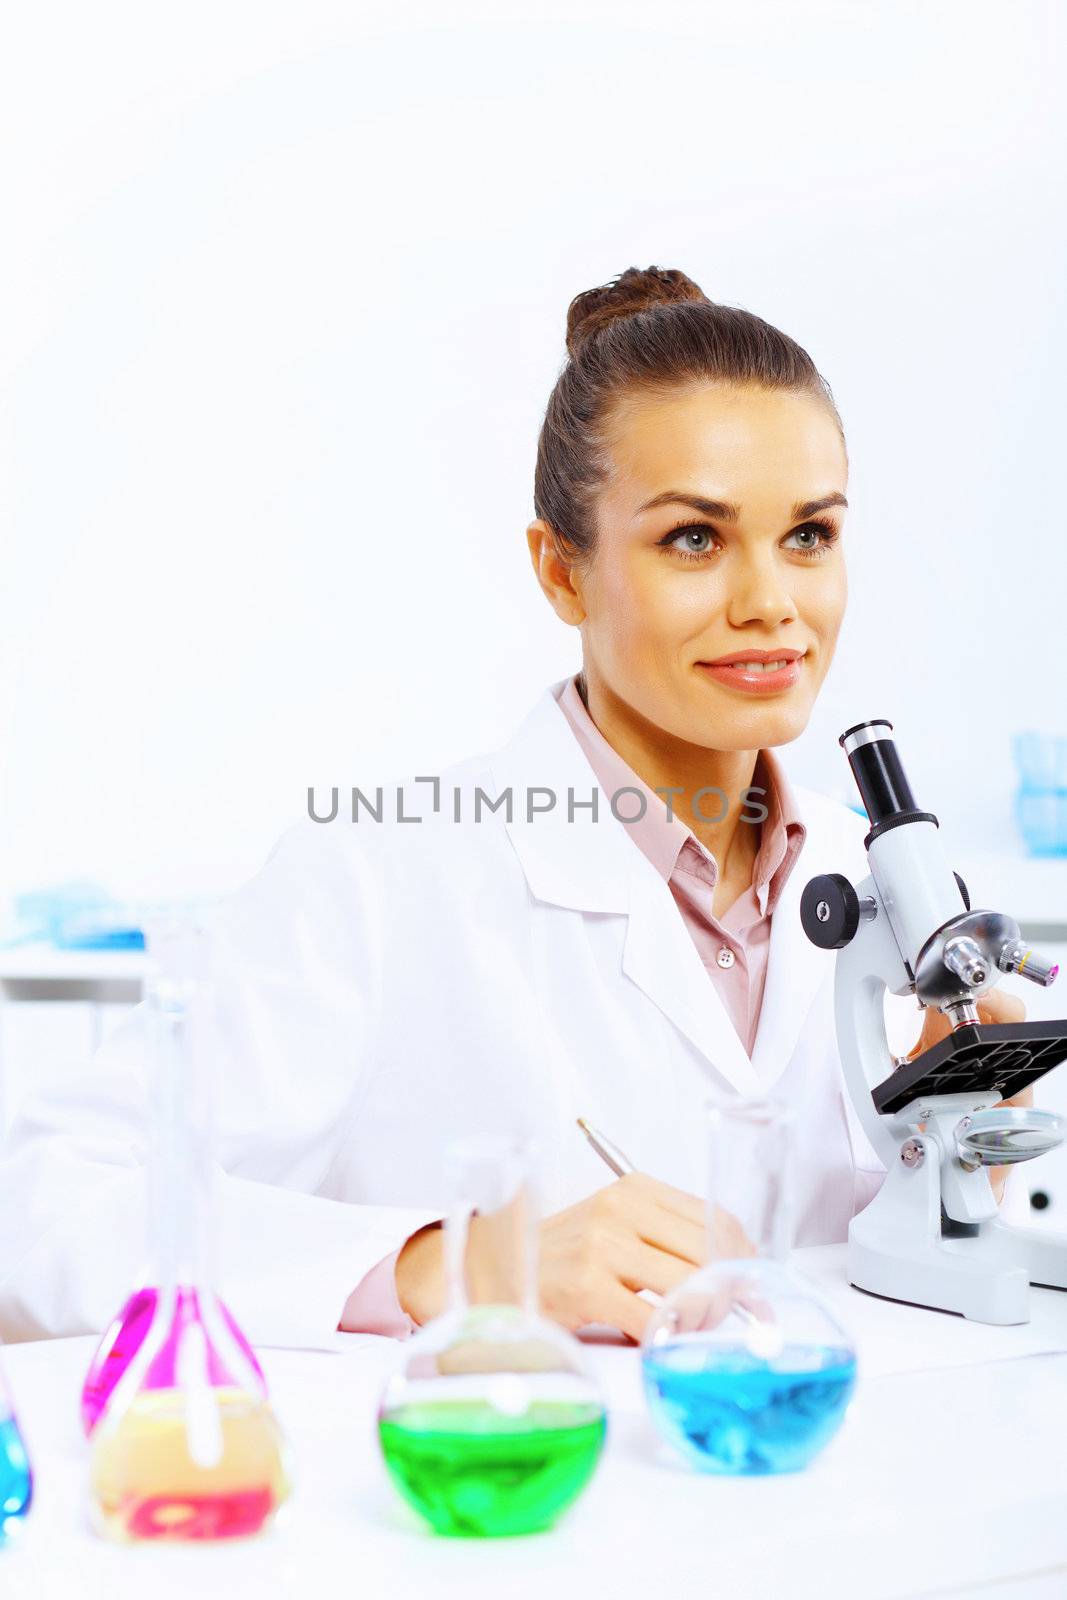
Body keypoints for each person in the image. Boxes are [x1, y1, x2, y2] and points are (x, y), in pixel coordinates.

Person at [0, 265, 1025, 1349]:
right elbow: (41, 1199)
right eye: (693, 537)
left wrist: (946, 1162)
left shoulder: (888, 882)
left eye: (807, 534)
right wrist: (459, 1263)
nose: (769, 600)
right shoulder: (381, 874)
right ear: (560, 573)